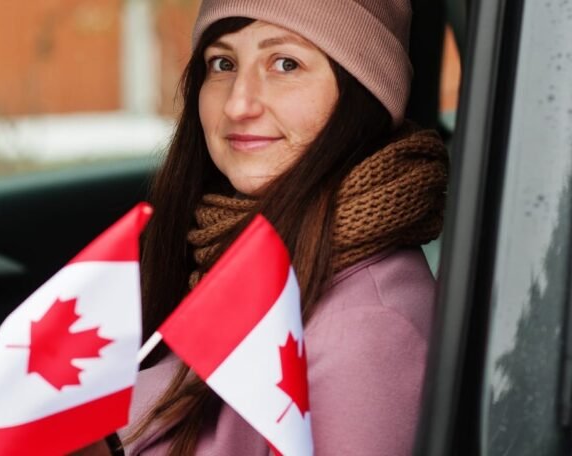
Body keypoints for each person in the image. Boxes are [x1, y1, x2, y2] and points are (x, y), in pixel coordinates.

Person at [111, 0, 449, 454]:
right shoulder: (224, 258)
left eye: (286, 63)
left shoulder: (371, 331)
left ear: (361, 93)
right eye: (223, 63)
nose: (238, 103)